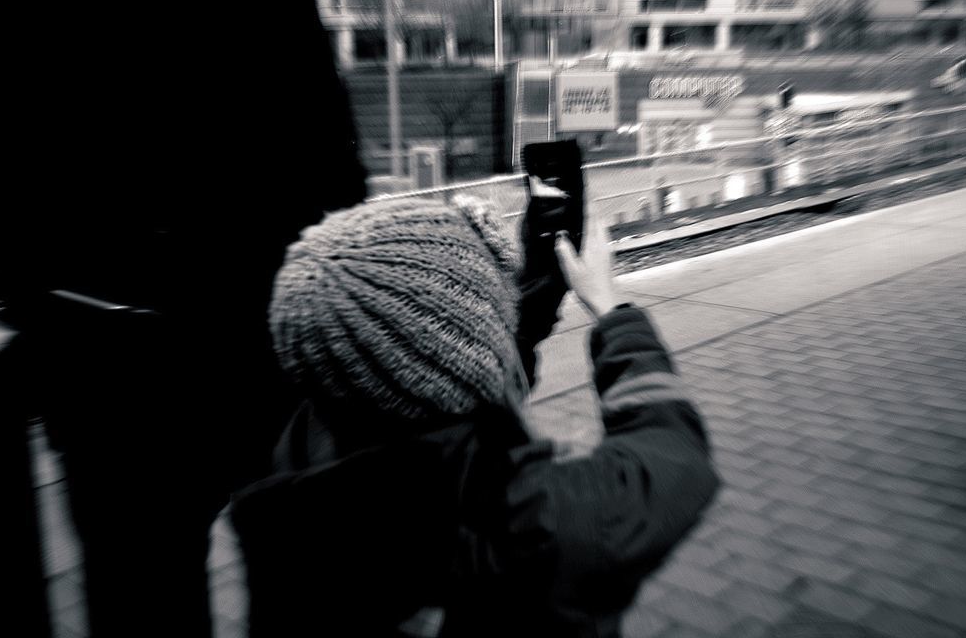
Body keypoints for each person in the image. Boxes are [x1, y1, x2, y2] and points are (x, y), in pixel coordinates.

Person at [0, 0, 368, 635]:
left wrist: (48, 327)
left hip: (107, 379)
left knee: (141, 600)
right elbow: (337, 182)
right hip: (263, 354)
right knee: (307, 583)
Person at [230, 196, 721, 637]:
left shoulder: (280, 495)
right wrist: (613, 311)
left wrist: (538, 292)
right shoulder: (539, 519)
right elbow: (674, 454)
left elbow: (435, 362)